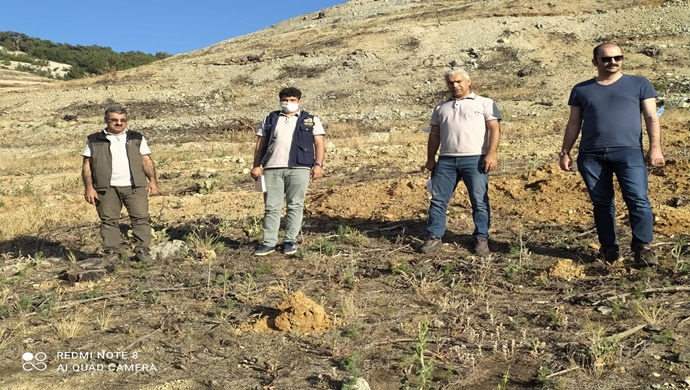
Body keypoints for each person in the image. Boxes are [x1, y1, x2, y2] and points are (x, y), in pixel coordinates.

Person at [559, 43, 665, 266]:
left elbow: (651, 117)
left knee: (638, 199)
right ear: (595, 62)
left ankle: (643, 248)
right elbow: (574, 123)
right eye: (606, 59)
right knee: (602, 202)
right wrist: (565, 151)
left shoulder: (640, 84)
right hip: (591, 155)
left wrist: (655, 148)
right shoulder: (581, 89)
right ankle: (609, 250)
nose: (613, 62)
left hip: (629, 152)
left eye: (618, 57)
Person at [420, 68, 501, 256]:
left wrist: (491, 154)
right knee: (438, 200)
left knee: (479, 201)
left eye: (458, 81)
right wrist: (431, 159)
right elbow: (434, 135)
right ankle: (434, 237)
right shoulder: (441, 107)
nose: (455, 85)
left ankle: (481, 238)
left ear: (468, 81)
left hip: (476, 159)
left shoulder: (485, 103)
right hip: (447, 160)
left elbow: (495, 130)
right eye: (450, 83)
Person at [250, 87, 326, 256]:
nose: (288, 103)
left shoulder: (310, 120)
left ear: (299, 101)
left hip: (300, 167)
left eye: (292, 100)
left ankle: (290, 241)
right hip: (271, 168)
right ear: (280, 100)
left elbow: (319, 143)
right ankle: (269, 242)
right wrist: (256, 165)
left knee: (295, 205)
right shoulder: (270, 119)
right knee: (271, 207)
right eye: (285, 100)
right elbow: (260, 144)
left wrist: (318, 165)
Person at [82, 106, 159, 263]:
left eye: (123, 120)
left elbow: (147, 160)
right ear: (106, 120)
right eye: (115, 120)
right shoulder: (94, 140)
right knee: (109, 221)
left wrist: (152, 181)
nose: (119, 123)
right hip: (106, 187)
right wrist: (89, 188)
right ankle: (112, 253)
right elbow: (87, 165)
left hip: (134, 186)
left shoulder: (137, 138)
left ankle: (142, 251)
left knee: (141, 218)